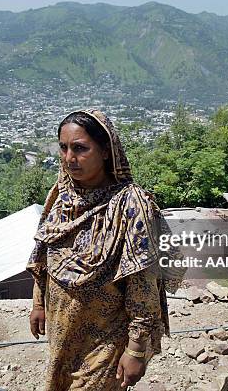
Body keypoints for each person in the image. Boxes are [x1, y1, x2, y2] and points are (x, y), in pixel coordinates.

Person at [27, 109, 179, 390]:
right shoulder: (61, 195)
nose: (69, 158)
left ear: (106, 151)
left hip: (105, 339)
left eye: (80, 148)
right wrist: (39, 303)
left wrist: (135, 349)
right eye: (63, 148)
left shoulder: (130, 205)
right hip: (62, 333)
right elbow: (46, 251)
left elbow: (143, 283)